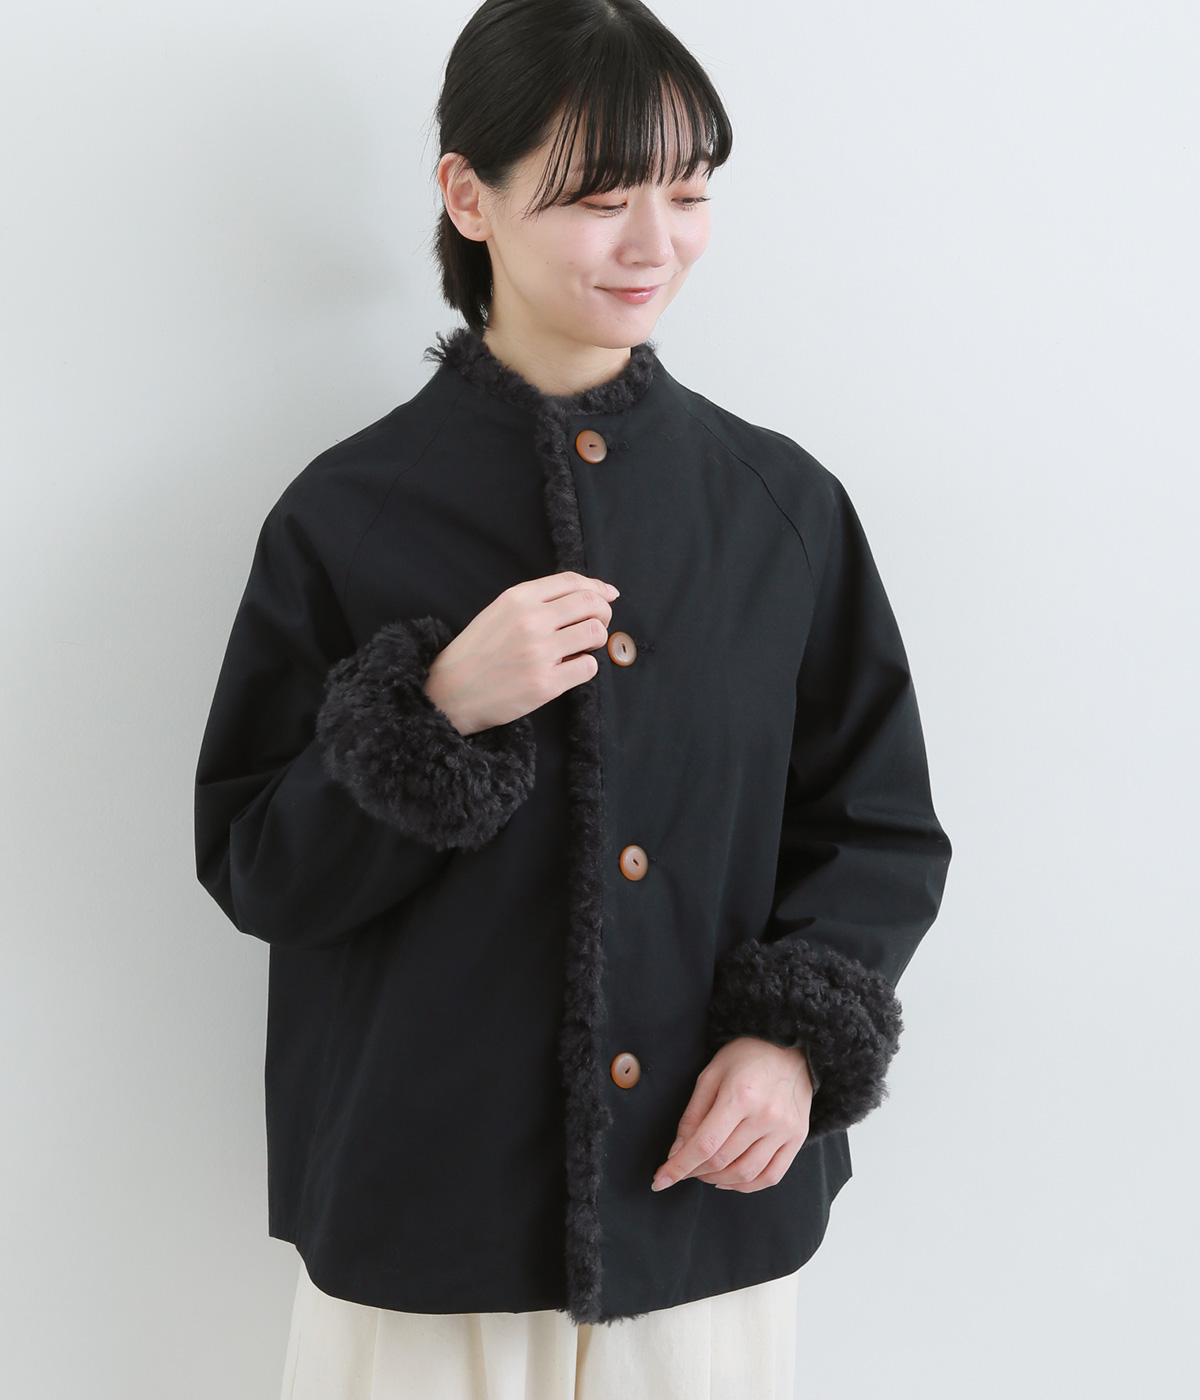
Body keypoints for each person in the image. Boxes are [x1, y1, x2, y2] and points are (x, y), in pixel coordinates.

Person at [193, 1, 954, 1396]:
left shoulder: (779, 509)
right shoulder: (348, 516)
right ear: (466, 196)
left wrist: (792, 1044)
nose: (655, 244)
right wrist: (433, 713)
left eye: (689, 192)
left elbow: (880, 826)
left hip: (700, 1214)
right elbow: (258, 871)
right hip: (423, 1226)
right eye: (602, 200)